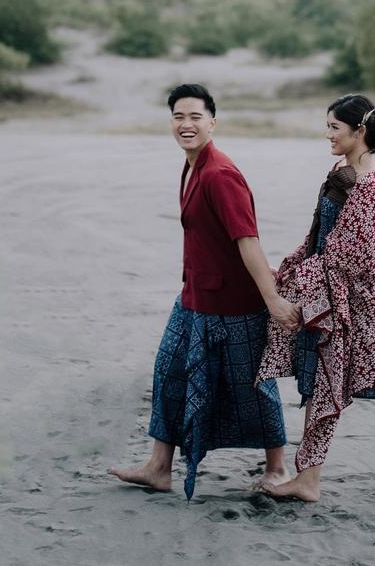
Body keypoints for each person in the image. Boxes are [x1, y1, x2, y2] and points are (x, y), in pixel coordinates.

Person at [108, 83, 301, 499]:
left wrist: (272, 298)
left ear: (212, 122)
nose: (186, 124)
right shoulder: (192, 166)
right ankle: (159, 467)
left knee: (253, 385)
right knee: (169, 371)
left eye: (195, 116)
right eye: (178, 116)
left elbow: (246, 239)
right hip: (195, 295)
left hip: (233, 304)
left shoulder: (220, 174)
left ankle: (278, 469)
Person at [256, 93, 375, 502]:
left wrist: (301, 278)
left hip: (366, 303)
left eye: (335, 127)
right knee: (323, 375)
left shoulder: (371, 187)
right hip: (333, 295)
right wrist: (292, 265)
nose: (328, 134)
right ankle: (309, 479)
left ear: (360, 131)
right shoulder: (342, 170)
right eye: (328, 126)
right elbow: (320, 234)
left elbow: (347, 258)